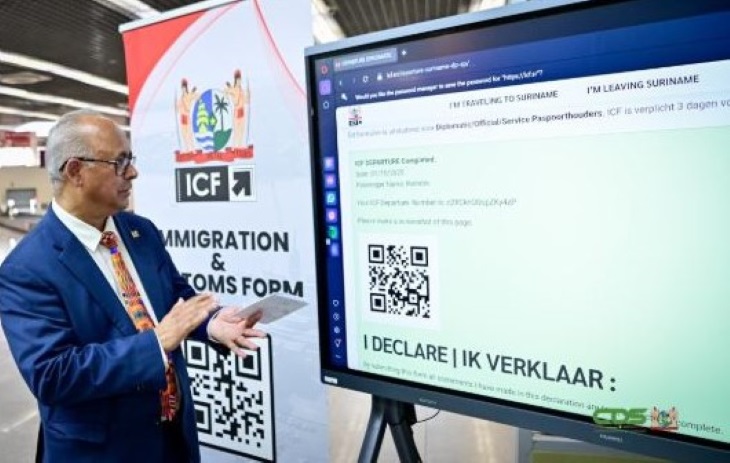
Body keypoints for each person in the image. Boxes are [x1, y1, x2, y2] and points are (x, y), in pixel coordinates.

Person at [0, 109, 265, 463]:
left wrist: (212, 323)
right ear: (75, 171)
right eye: (119, 162)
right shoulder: (27, 269)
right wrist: (156, 342)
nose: (133, 173)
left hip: (172, 438)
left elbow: (175, 297)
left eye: (131, 160)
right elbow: (54, 375)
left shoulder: (140, 231)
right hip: (102, 453)